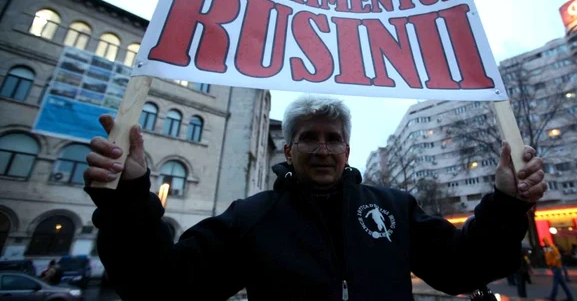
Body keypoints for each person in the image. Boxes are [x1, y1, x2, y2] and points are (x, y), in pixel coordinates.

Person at [83, 95, 549, 300]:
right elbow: (163, 288)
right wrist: (126, 197)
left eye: (332, 138)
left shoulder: (393, 207)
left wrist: (506, 204)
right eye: (309, 138)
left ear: (347, 149)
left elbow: (462, 269)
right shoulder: (252, 217)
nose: (322, 149)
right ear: (288, 149)